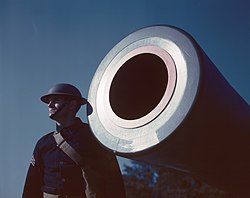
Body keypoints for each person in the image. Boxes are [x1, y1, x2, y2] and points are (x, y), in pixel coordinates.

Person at [22, 83, 126, 198]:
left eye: (56, 100)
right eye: (49, 101)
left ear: (72, 105)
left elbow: (113, 181)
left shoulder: (95, 137)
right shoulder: (44, 143)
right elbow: (32, 186)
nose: (50, 105)